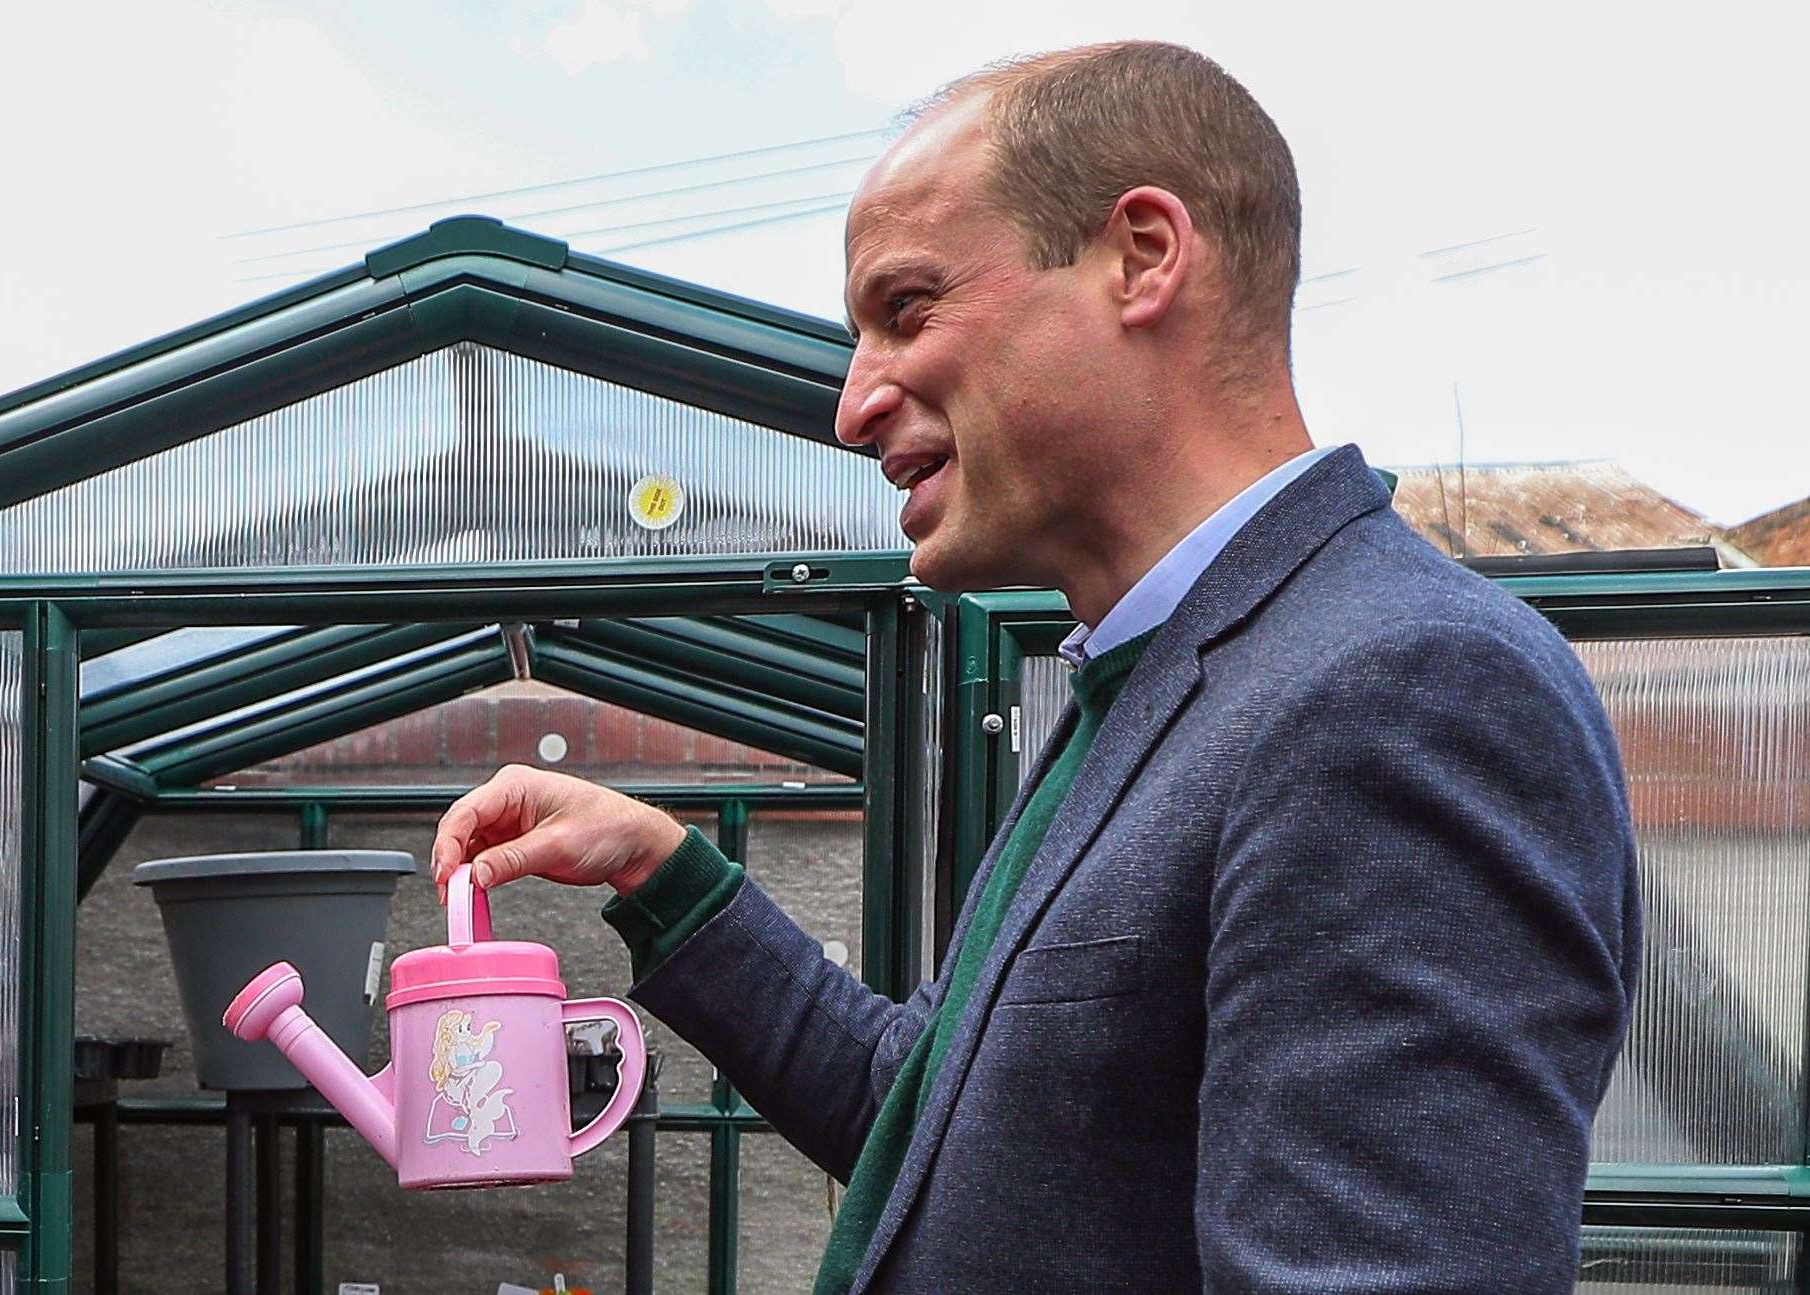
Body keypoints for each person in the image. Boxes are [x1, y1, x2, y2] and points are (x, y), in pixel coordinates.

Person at [430, 40, 1640, 1292]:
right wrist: (662, 869)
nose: (851, 406)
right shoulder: (1154, 679)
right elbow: (944, 1125)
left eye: (906, 310)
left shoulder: (1402, 690)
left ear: (1143, 257)